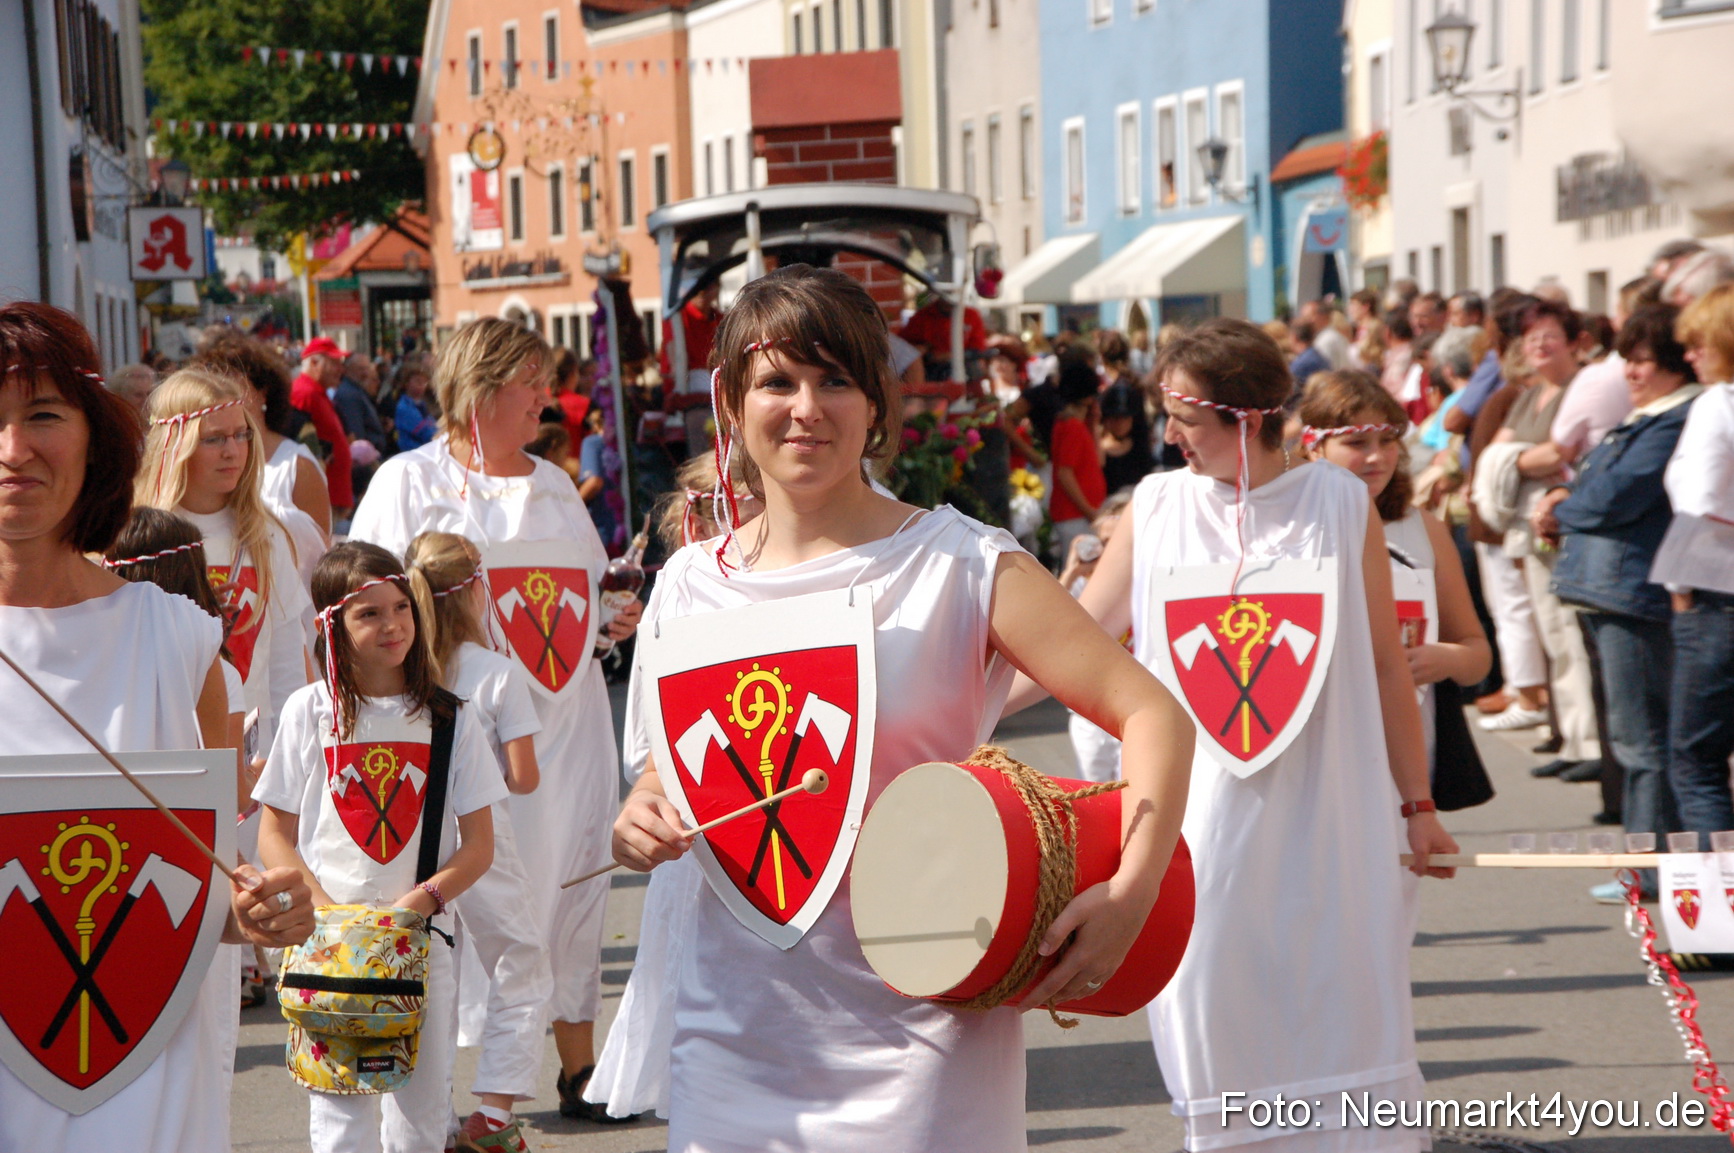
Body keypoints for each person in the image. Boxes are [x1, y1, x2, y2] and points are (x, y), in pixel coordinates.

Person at [608, 264, 1192, 1151]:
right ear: (730, 402)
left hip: (925, 1040)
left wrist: (1133, 889)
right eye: (777, 381)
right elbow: (681, 761)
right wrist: (644, 811)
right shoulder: (689, 581)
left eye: (835, 380)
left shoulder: (959, 563)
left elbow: (1152, 714)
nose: (806, 408)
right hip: (728, 1040)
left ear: (878, 402)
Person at [1071, 318, 1457, 1153]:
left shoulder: (1339, 500)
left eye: (1184, 419)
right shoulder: (1156, 504)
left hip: (1331, 815)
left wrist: (1419, 804)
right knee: (1211, 1005)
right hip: (1199, 823)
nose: (1169, 437)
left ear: (1245, 418)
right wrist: (966, 700)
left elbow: (1385, 666)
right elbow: (1075, 636)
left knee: (1339, 1005)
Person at [0, 301, 311, 1153]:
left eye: (42, 415)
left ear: (95, 439)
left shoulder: (178, 640)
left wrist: (262, 908)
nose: (13, 448)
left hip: (143, 1081)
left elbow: (204, 884)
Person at [347, 318, 642, 1118]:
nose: (546, 398)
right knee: (472, 899)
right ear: (480, 388)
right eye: (530, 382)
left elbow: (582, 599)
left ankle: (580, 1069)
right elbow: (362, 605)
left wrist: (611, 616)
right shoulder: (408, 482)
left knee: (573, 886)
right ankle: (441, 1091)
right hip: (462, 729)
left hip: (569, 726)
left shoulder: (556, 486)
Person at [255, 543, 502, 1153]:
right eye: (369, 614)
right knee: (340, 1121)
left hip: (420, 945)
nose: (392, 625)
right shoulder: (310, 711)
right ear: (332, 625)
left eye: (401, 607)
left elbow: (479, 846)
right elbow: (273, 833)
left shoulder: (450, 718)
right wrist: (324, 913)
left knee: (420, 1121)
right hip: (329, 946)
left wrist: (417, 905)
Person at [1532, 304, 1701, 903]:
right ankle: (1649, 865)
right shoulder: (1652, 417)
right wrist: (1567, 497)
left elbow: (1615, 494)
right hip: (1614, 591)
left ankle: (1651, 870)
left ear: (1675, 363)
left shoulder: (1674, 420)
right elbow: (1595, 485)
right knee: (1638, 737)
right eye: (1627, 358)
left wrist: (1563, 507)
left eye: (1643, 360)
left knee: (1642, 739)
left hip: (1633, 594)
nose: (1629, 371)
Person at [405, 532, 550, 1153]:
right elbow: (523, 776)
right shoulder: (496, 672)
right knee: (520, 962)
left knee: (433, 974)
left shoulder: (407, 670)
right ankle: (493, 1111)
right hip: (480, 840)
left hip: (417, 840)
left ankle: (431, 1118)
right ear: (471, 592)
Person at [1301, 371, 1492, 771]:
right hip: (1316, 750)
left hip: (1406, 750)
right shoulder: (1288, 528)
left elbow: (1477, 653)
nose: (1377, 457)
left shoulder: (1423, 529)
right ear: (1314, 447)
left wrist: (1444, 658)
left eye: (1387, 440)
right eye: (1357, 443)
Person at [135, 369, 313, 760]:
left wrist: (294, 754)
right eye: (214, 439)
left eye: (241, 435)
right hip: (168, 744)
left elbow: (286, 657)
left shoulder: (266, 534)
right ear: (175, 444)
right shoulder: (140, 537)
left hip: (257, 751)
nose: (232, 451)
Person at [1486, 301, 1598, 773]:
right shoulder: (1530, 393)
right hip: (1528, 525)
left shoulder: (1581, 387)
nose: (1539, 345)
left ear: (1574, 342)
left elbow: (1560, 453)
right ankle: (1568, 737)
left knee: (1571, 632)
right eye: (1531, 338)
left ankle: (1589, 743)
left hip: (1561, 519)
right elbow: (1499, 450)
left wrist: (1515, 459)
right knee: (1549, 631)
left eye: (1550, 335)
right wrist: (1521, 458)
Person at [1655, 284, 1734, 855]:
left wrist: (1680, 587)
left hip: (1716, 596)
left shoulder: (1716, 404)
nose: (1689, 355)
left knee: (1696, 762)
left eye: (1699, 343)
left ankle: (1721, 901)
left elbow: (1700, 502)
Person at [191, 334, 331, 578]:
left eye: (234, 385)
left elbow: (320, 561)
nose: (224, 397)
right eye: (215, 388)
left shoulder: (298, 467)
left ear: (263, 392)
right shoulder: (205, 463)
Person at [1047, 354, 1107, 558]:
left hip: (1079, 515)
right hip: (1076, 515)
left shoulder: (1076, 425)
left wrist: (1094, 425)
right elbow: (1065, 474)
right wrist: (1090, 512)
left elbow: (1099, 461)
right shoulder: (1072, 426)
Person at [291, 337, 355, 515]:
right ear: (313, 362)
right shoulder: (304, 393)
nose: (341, 370)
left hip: (332, 497)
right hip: (322, 499)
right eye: (334, 363)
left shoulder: (317, 392)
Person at [394, 354, 439, 453]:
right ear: (406, 383)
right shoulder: (404, 407)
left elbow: (432, 424)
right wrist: (440, 437)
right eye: (418, 381)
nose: (422, 386)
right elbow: (424, 432)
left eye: (424, 382)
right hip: (413, 452)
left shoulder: (422, 404)